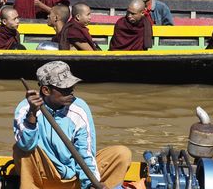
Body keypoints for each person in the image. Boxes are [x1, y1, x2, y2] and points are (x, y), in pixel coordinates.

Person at [13, 61, 132, 189]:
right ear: (46, 90)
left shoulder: (79, 108)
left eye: (72, 88)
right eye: (65, 90)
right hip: (43, 177)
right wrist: (32, 113)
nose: (71, 93)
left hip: (73, 178)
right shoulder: (25, 108)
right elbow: (26, 145)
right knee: (21, 149)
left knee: (121, 154)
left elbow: (85, 151)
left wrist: (91, 183)